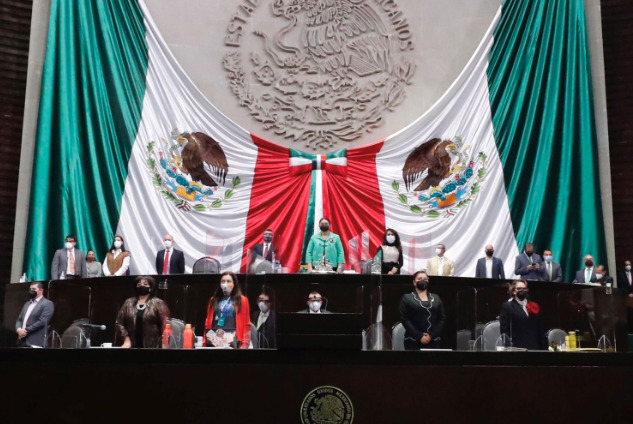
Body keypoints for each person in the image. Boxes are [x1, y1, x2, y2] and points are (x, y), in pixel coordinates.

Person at [115, 276, 169, 348]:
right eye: (139, 284)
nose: (141, 286)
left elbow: (165, 324)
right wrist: (126, 339)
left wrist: (163, 344)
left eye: (145, 284)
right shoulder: (128, 302)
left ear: (150, 288)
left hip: (153, 346)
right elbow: (119, 323)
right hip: (132, 345)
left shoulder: (158, 303)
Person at [399, 271, 446, 349]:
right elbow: (404, 319)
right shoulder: (407, 298)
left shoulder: (436, 298)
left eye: (425, 279)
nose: (423, 280)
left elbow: (442, 318)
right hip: (413, 341)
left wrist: (431, 335)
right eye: (420, 279)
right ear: (414, 282)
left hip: (433, 340)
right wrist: (419, 336)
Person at [204, 272, 251, 348]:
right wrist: (205, 341)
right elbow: (207, 323)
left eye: (228, 281)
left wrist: (244, 344)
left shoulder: (242, 300)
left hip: (234, 341)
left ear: (234, 284)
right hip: (215, 341)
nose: (225, 284)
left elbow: (246, 324)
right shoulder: (213, 300)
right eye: (223, 281)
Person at [499, 280, 546, 350]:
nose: (522, 290)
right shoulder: (508, 306)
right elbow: (504, 329)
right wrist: (508, 346)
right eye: (519, 288)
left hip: (535, 346)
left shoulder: (534, 305)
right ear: (514, 291)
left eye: (524, 288)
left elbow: (540, 328)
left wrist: (543, 347)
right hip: (517, 347)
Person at [15, 282, 55, 347]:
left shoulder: (47, 304)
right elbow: (19, 319)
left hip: (36, 342)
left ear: (41, 290)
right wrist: (19, 329)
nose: (31, 291)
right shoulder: (27, 304)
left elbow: (42, 321)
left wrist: (25, 331)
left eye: (33, 289)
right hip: (22, 340)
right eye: (30, 289)